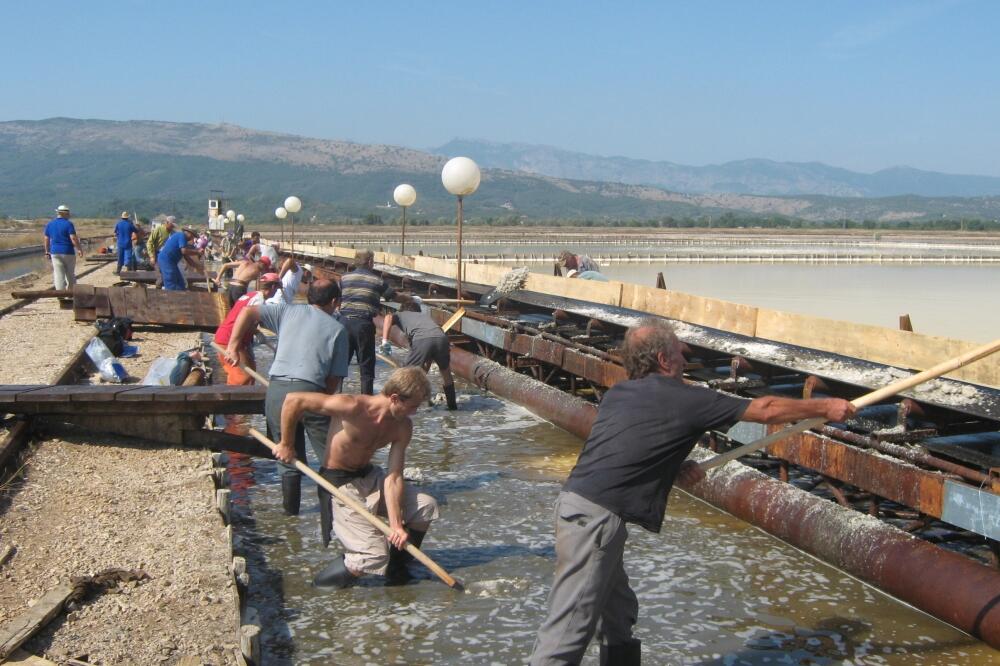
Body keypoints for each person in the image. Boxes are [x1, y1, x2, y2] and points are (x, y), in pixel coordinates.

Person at [529, 319, 855, 666]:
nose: (685, 360)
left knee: (619, 612)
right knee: (567, 632)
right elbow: (766, 409)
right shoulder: (685, 399)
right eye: (678, 353)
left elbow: (628, 451)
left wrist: (671, 468)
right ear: (664, 360)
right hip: (594, 523)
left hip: (579, 509)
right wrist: (825, 407)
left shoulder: (620, 394)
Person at [274, 366, 439, 588]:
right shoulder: (352, 406)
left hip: (369, 476)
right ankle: (318, 588)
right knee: (374, 555)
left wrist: (396, 525)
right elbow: (294, 400)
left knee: (425, 506)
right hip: (338, 482)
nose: (414, 413)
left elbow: (394, 477)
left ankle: (396, 570)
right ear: (395, 398)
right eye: (412, 407)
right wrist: (286, 443)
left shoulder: (403, 426)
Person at [223, 279, 349, 521]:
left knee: (287, 455)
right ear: (334, 302)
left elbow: (247, 311)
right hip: (312, 391)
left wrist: (232, 345)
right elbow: (333, 382)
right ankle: (333, 518)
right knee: (330, 459)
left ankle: (291, 518)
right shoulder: (338, 330)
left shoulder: (287, 310)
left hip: (277, 391)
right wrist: (322, 406)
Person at [381, 295, 457, 410]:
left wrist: (384, 341)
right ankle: (453, 409)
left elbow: (388, 317)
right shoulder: (423, 317)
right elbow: (428, 359)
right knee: (446, 374)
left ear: (403, 309)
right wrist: (421, 377)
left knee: (405, 374)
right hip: (442, 337)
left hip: (422, 339)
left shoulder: (401, 314)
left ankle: (393, 406)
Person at [339, 250, 396, 395]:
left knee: (339, 366)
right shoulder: (377, 281)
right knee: (366, 367)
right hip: (363, 324)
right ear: (370, 262)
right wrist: (410, 299)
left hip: (343, 323)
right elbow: (392, 295)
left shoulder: (344, 278)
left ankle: (335, 400)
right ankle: (366, 402)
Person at [213, 273, 282, 385]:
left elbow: (244, 321)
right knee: (242, 378)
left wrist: (256, 332)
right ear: (273, 287)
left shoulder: (251, 295)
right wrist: (256, 332)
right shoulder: (258, 301)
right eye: (277, 288)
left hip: (230, 339)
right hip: (228, 341)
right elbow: (243, 323)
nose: (277, 292)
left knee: (250, 373)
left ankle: (248, 400)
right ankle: (231, 400)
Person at [43, 205, 84, 290]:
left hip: (55, 252)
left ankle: (61, 295)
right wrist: (79, 249)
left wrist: (47, 251)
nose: (69, 215)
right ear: (65, 214)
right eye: (68, 214)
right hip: (68, 252)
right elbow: (73, 238)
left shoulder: (50, 224)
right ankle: (71, 293)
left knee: (58, 275)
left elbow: (46, 239)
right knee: (70, 274)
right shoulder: (68, 224)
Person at [157, 226, 204, 291]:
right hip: (166, 260)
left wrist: (197, 266)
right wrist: (197, 252)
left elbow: (187, 257)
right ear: (189, 233)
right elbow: (184, 251)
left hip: (171, 262)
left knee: (180, 282)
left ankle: (181, 296)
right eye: (192, 236)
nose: (192, 238)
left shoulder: (183, 240)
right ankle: (171, 298)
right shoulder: (181, 236)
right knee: (171, 280)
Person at [147, 217, 176, 288]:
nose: (172, 227)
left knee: (169, 275)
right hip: (157, 255)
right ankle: (158, 291)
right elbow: (150, 243)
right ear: (167, 223)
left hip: (168, 257)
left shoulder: (173, 233)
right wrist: (151, 256)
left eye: (173, 226)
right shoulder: (158, 230)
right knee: (160, 276)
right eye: (171, 225)